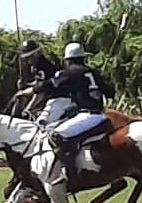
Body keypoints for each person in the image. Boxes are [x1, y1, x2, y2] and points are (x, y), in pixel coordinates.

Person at [34, 42, 116, 185]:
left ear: (67, 59)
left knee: (56, 135)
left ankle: (70, 173)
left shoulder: (69, 72)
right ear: (83, 57)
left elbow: (47, 86)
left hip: (88, 115)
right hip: (100, 115)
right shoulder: (92, 72)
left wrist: (32, 87)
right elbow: (111, 93)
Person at [13, 40, 73, 130]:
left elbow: (40, 92)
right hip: (55, 99)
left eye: (29, 58)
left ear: (36, 54)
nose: (28, 61)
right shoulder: (41, 65)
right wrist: (26, 84)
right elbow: (39, 84)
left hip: (59, 100)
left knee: (40, 125)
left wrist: (28, 108)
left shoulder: (43, 67)